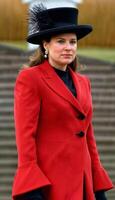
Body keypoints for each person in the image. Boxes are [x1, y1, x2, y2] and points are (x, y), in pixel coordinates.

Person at [12, 4, 114, 200]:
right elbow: (25, 136)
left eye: (73, 42)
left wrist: (97, 183)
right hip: (50, 182)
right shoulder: (30, 79)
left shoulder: (84, 83)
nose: (68, 48)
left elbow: (88, 136)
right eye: (61, 41)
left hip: (84, 182)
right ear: (45, 45)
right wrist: (31, 186)